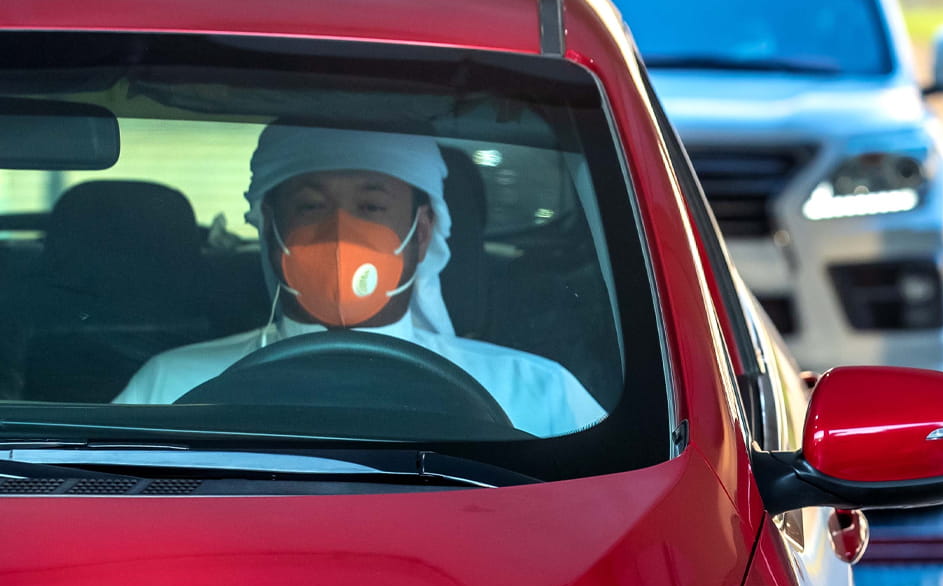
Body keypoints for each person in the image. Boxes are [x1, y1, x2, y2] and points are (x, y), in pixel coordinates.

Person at [116, 124, 603, 438]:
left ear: (421, 232)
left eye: (371, 206)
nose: (339, 231)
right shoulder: (173, 384)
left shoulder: (539, 394)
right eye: (311, 206)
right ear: (270, 226)